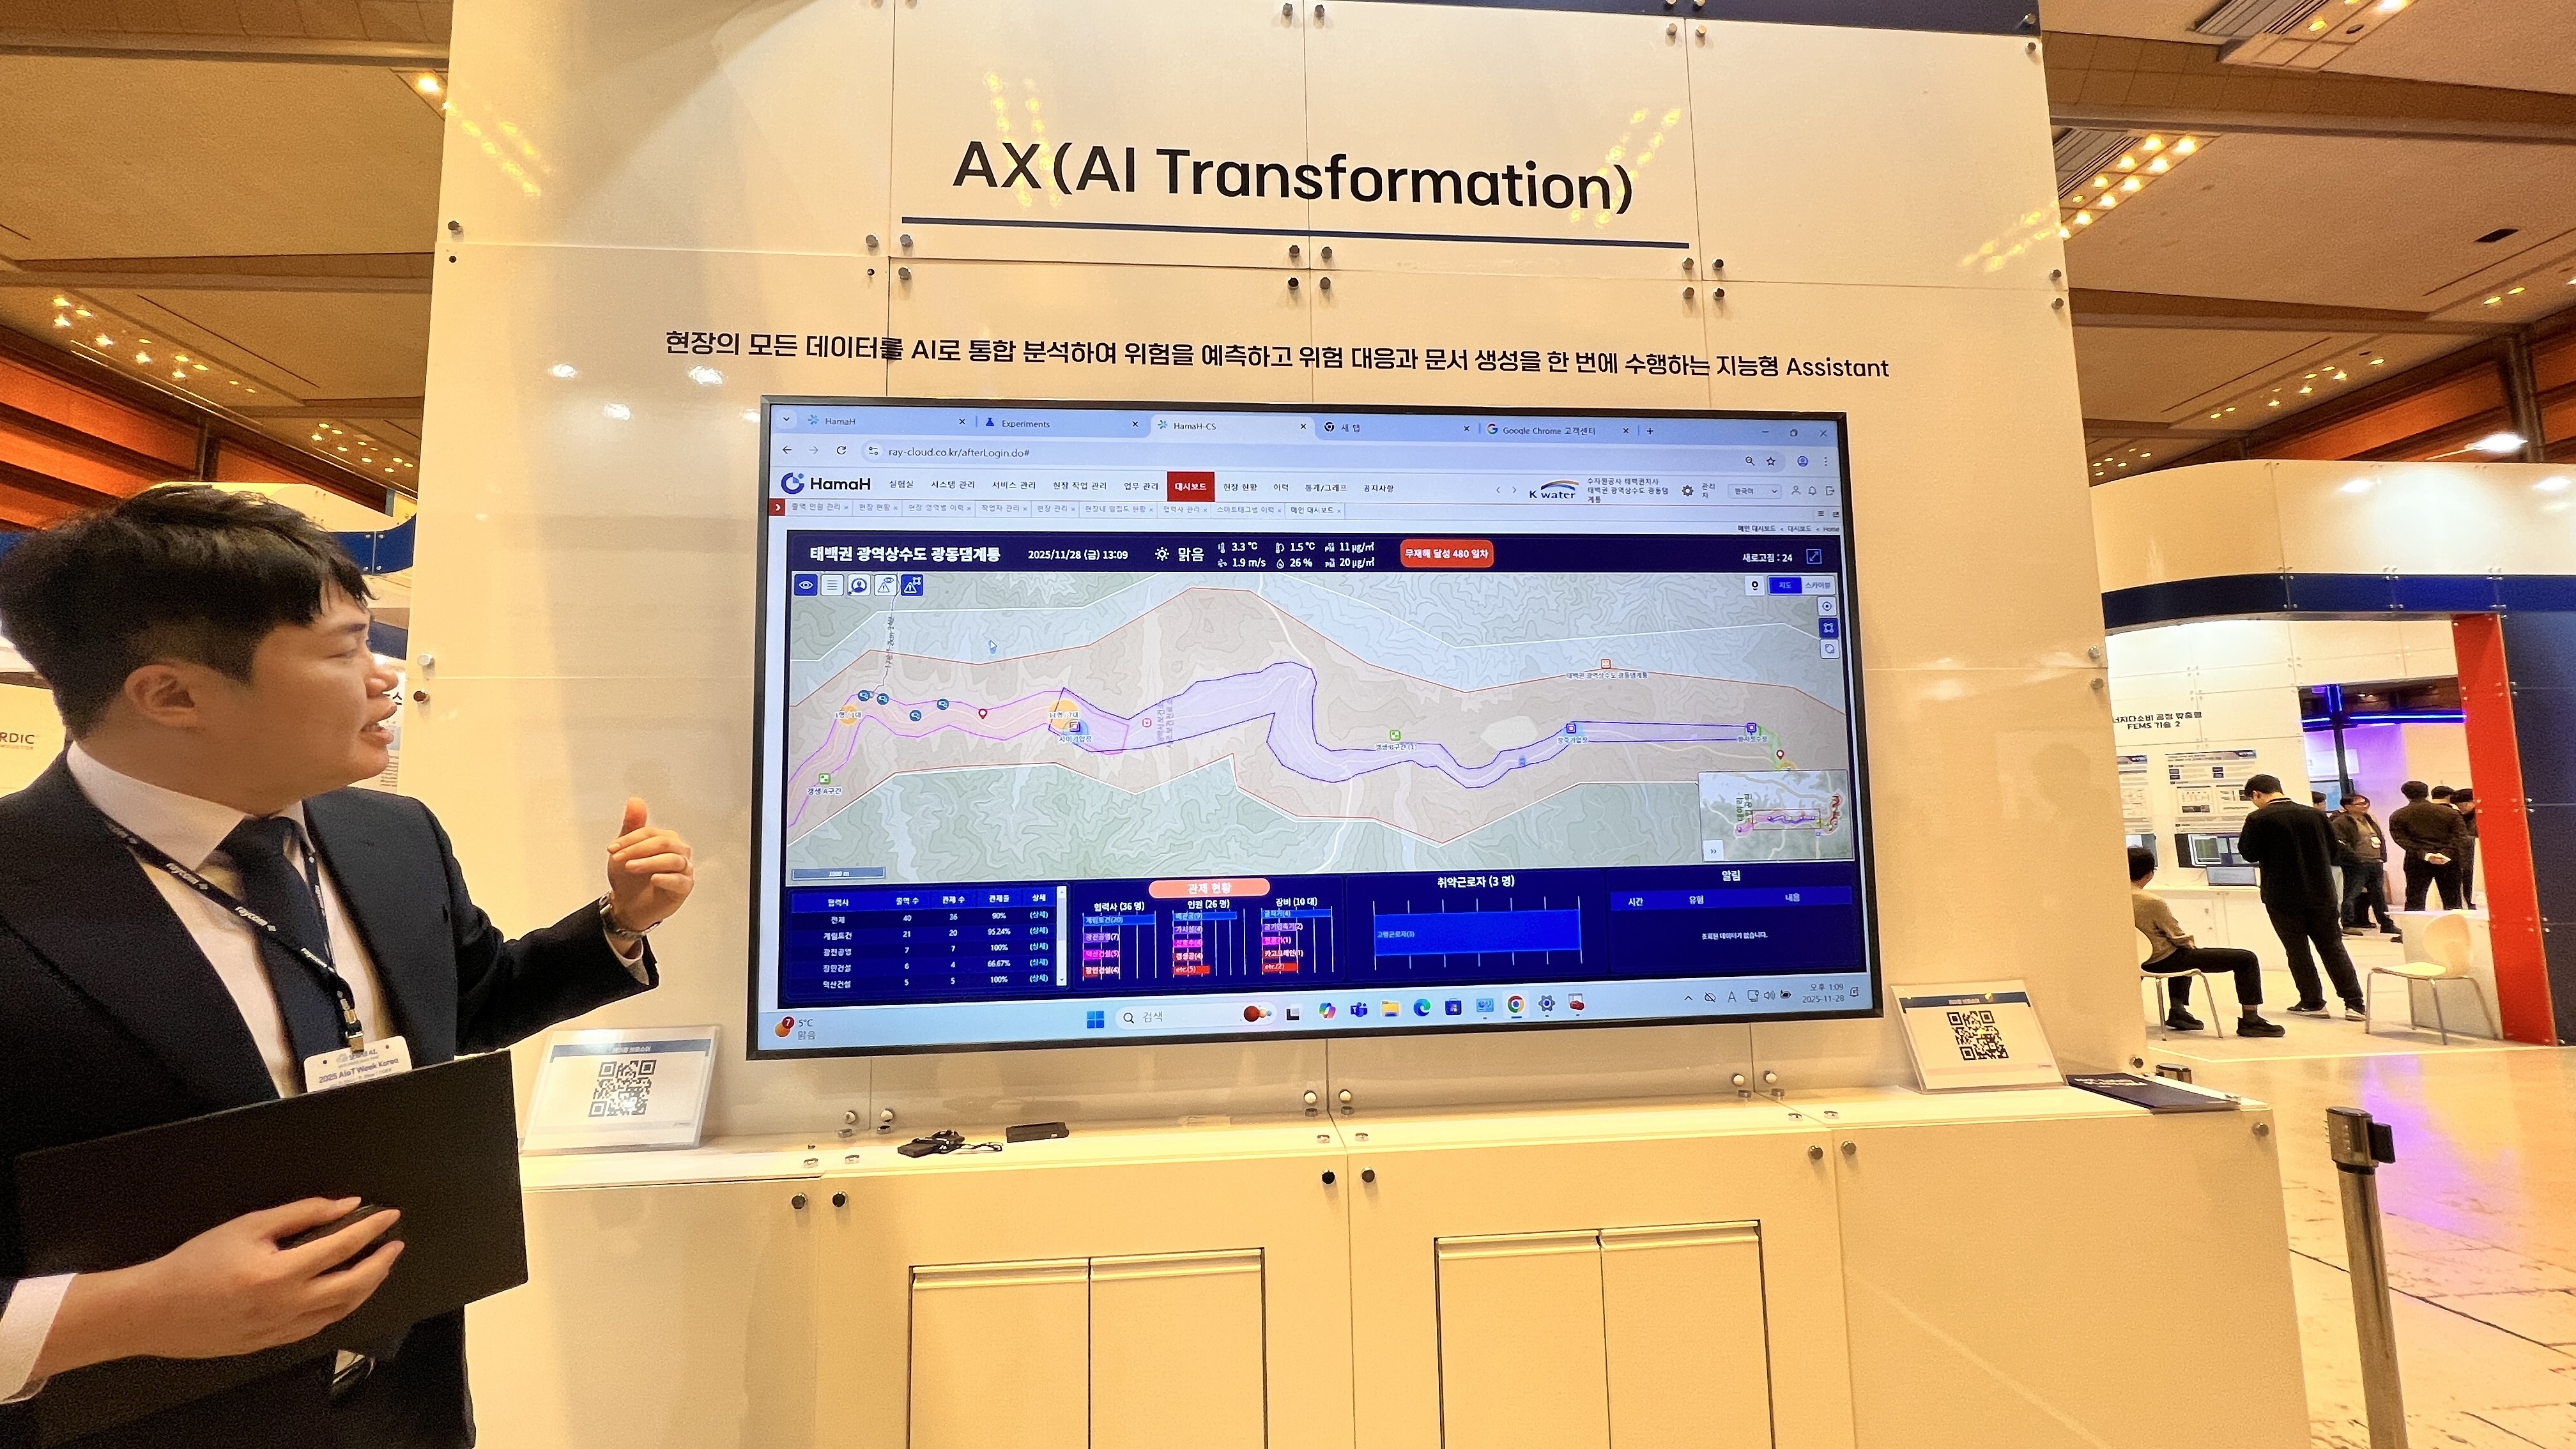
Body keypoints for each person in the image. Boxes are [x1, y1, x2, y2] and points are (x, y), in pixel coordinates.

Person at [0, 487, 698, 1448]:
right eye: (344, 651)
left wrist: (619, 926)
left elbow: (467, 1004)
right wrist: (127, 1312)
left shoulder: (390, 837)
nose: (387, 680)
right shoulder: (21, 892)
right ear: (172, 695)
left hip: (407, 1406)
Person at [2233, 774, 2368, 1020]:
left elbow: (2249, 853)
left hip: (2282, 894)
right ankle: (2355, 1004)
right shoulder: (2316, 815)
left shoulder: (2258, 818)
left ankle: (2312, 1002)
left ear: (2257, 795)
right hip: (2321, 892)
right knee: (2333, 947)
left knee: (2297, 951)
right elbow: (2333, 851)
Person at [2129, 847, 2284, 1037]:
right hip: (2160, 961)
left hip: (2134, 961)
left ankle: (2179, 1011)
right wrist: (2189, 943)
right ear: (2149, 874)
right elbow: (2177, 936)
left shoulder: (2110, 898)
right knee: (2246, 959)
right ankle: (2250, 1019)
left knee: (2183, 954)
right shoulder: (2152, 902)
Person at [2389, 779, 2467, 911]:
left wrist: (2425, 854)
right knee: (2452, 901)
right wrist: (2445, 853)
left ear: (2406, 795)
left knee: (2415, 900)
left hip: (2417, 860)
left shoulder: (2398, 815)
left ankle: (2414, 925)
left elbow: (2400, 839)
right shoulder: (2450, 813)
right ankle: (2455, 924)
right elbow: (2460, 836)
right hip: (2448, 860)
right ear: (2427, 793)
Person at [2330, 793, 2400, 937]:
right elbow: (2341, 843)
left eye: (2366, 803)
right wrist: (2355, 858)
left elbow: (2379, 839)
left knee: (2378, 896)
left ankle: (2387, 924)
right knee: (2351, 894)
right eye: (2360, 804)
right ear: (2348, 807)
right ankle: (2348, 924)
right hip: (2356, 864)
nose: (2365, 806)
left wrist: (2382, 857)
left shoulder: (2369, 819)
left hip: (2375, 862)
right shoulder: (2341, 822)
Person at [2451, 788, 2481, 909]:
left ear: (2472, 802)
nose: (2459, 808)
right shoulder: (2462, 816)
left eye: (2461, 805)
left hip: (2477, 856)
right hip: (2467, 856)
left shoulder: (2480, 816)